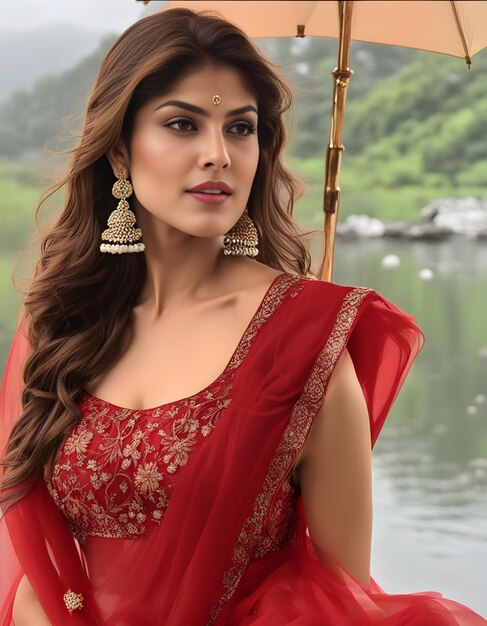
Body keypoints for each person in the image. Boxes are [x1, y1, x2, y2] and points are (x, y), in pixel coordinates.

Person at [0, 7, 485, 626]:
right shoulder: (64, 322)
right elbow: (36, 557)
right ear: (120, 151)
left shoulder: (308, 341)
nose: (217, 155)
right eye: (182, 124)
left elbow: (338, 602)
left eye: (240, 128)